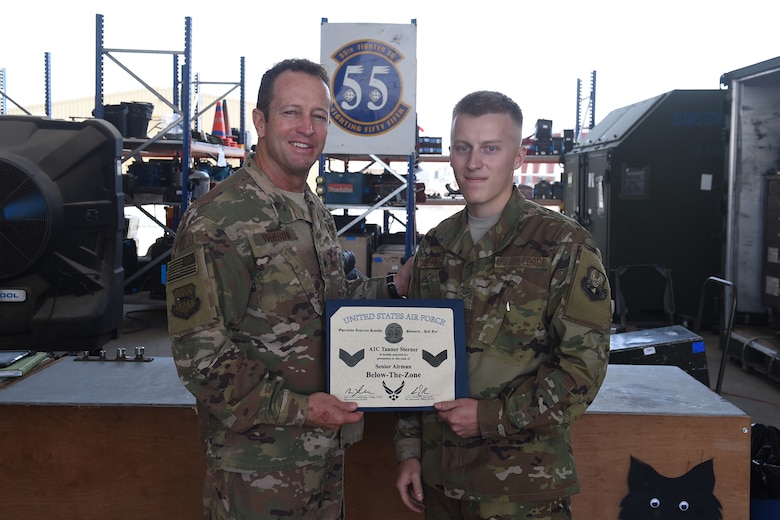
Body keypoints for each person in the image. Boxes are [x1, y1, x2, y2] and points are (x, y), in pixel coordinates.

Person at [166, 58, 410, 520]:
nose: (307, 128)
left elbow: (331, 306)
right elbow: (201, 359)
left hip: (324, 453)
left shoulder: (310, 207)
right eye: (291, 112)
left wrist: (394, 287)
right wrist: (301, 410)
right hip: (258, 466)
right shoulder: (220, 220)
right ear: (260, 120)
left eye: (319, 115)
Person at [394, 90, 612, 520]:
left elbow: (583, 369)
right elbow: (409, 362)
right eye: (463, 147)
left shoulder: (563, 245)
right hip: (440, 484)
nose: (474, 162)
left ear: (518, 156)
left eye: (490, 148)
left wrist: (492, 417)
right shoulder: (436, 245)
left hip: (521, 491)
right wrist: (409, 451)